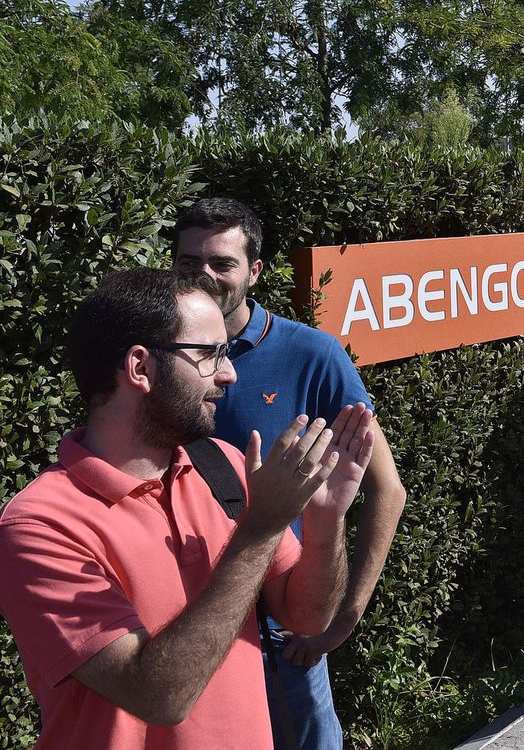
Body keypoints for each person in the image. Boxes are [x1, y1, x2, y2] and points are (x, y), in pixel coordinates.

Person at [0, 268, 374, 750]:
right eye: (208, 353)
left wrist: (325, 521)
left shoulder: (223, 466)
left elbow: (306, 621)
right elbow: (158, 697)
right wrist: (259, 529)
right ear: (140, 367)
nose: (229, 372)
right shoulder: (40, 525)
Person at [173, 198, 407, 750]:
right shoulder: (159, 358)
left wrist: (345, 614)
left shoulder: (313, 355)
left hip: (284, 620)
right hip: (186, 613)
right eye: (189, 264)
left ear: (254, 271)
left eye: (222, 263)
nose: (204, 275)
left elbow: (386, 488)